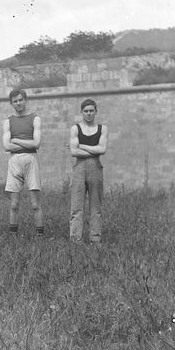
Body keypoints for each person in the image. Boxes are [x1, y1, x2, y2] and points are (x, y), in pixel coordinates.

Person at [2, 89, 44, 237]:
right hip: (14, 161)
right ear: (11, 103)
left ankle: (40, 236)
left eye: (20, 100)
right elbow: (6, 146)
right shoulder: (8, 121)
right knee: (14, 204)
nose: (18, 103)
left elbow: (37, 143)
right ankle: (13, 237)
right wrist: (28, 143)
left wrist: (16, 140)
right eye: (15, 101)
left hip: (30, 159)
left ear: (25, 100)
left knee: (35, 204)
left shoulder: (35, 118)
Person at [69, 99, 109, 243]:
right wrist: (94, 150)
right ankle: (75, 240)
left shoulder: (102, 129)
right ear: (81, 112)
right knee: (76, 207)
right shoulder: (75, 129)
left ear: (96, 111)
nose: (89, 113)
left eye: (91, 110)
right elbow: (74, 152)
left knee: (96, 207)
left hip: (96, 168)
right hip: (79, 168)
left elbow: (102, 149)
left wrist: (83, 146)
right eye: (86, 111)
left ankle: (95, 239)